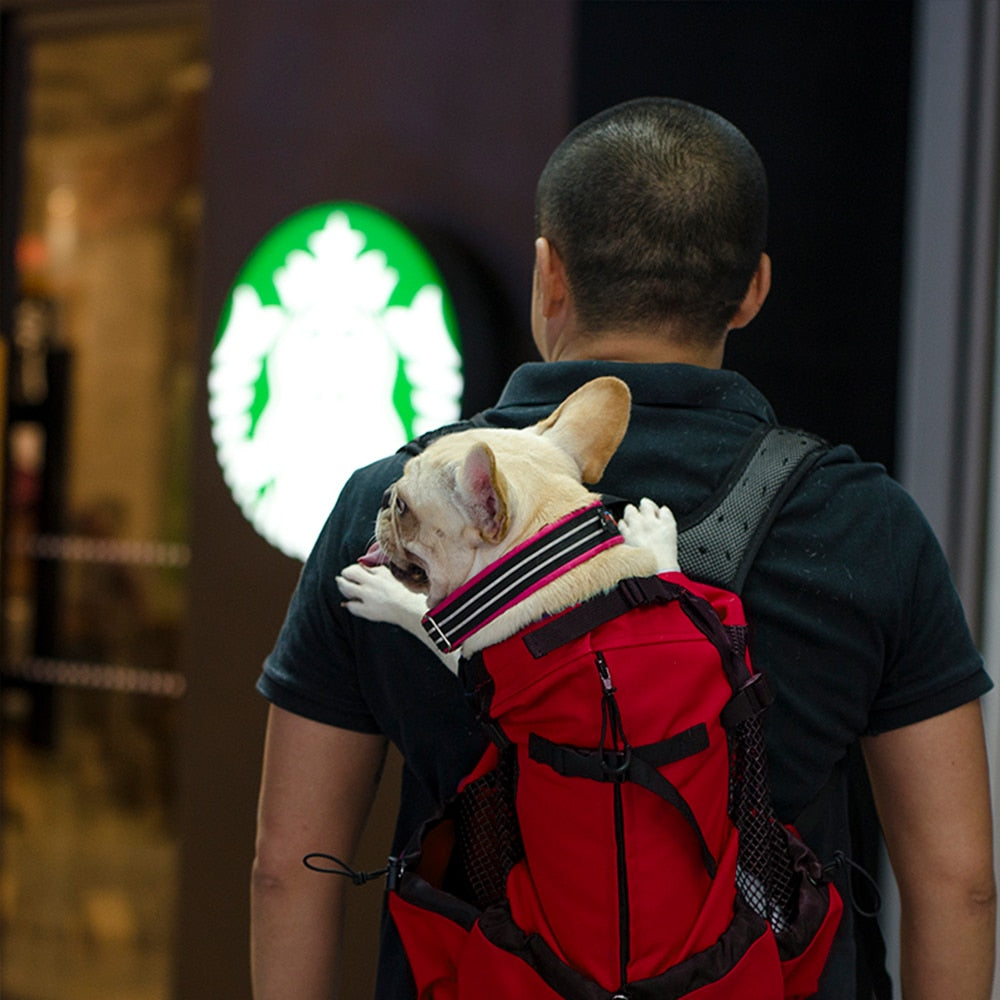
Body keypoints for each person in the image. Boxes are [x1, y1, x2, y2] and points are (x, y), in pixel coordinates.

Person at [251, 97, 995, 999]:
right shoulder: (865, 523)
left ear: (548, 276)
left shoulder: (395, 511)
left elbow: (289, 867)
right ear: (754, 288)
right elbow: (959, 885)